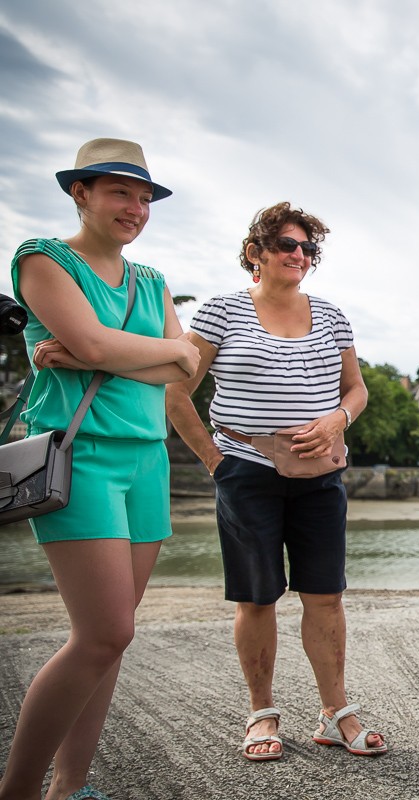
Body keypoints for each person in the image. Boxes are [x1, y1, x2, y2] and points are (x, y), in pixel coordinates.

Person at [0, 139, 199, 800]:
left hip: (147, 461)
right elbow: (136, 349)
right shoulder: (42, 259)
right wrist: (143, 351)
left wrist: (97, 351)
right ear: (79, 192)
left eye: (144, 197)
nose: (136, 207)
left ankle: (72, 788)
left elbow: (187, 367)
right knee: (104, 632)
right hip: (79, 457)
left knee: (111, 642)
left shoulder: (153, 282)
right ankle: (21, 790)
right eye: (120, 191)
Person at [165, 202, 385, 761]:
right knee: (257, 598)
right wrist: (216, 462)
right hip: (246, 472)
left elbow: (355, 390)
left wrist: (339, 418)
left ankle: (334, 713)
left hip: (321, 478)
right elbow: (174, 391)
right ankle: (262, 714)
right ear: (254, 253)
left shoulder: (332, 315)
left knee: (326, 596)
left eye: (308, 248)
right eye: (288, 245)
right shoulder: (220, 313)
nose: (300, 255)